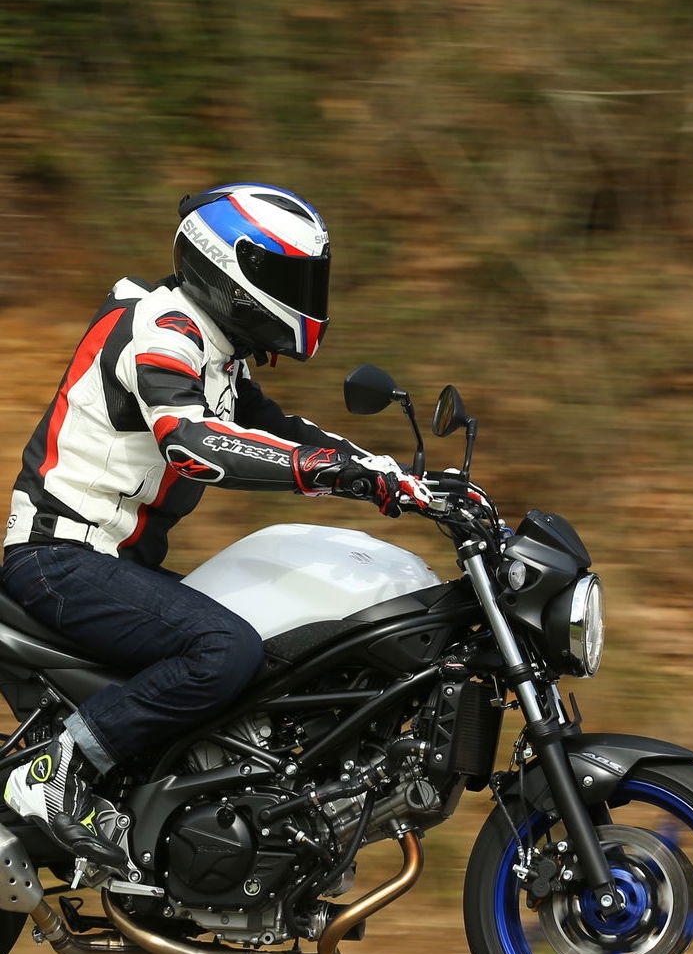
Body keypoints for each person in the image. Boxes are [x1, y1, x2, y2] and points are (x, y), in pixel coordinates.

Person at [1, 184, 426, 871]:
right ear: (231, 268)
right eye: (290, 277)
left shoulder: (215, 350)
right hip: (58, 557)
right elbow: (194, 441)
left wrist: (394, 477)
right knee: (223, 649)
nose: (305, 293)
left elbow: (282, 430)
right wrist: (329, 472)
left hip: (112, 564)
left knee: (274, 647)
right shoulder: (160, 328)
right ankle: (54, 771)